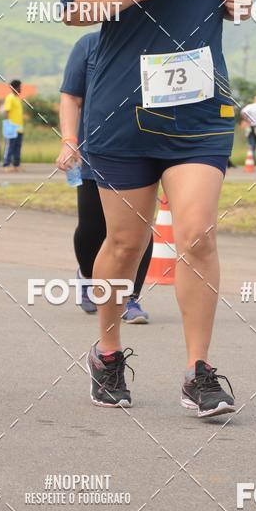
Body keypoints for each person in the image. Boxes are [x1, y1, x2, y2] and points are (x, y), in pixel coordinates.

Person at [61, 0, 252, 416]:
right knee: (124, 244)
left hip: (198, 111)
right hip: (122, 113)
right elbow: (71, 8)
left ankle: (199, 372)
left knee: (196, 235)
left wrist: (240, 4)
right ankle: (108, 353)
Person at [56, 30, 153, 323]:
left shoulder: (157, 42)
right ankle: (87, 277)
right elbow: (71, 97)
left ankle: (128, 297)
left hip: (146, 148)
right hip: (94, 150)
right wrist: (69, 140)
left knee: (140, 228)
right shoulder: (89, 45)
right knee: (93, 225)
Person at [2, 79, 24, 171]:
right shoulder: (9, 98)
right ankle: (6, 165)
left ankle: (16, 165)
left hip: (19, 128)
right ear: (15, 88)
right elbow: (6, 112)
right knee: (10, 147)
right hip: (11, 127)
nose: (21, 89)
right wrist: (8, 126)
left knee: (17, 147)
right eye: (19, 87)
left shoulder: (17, 98)